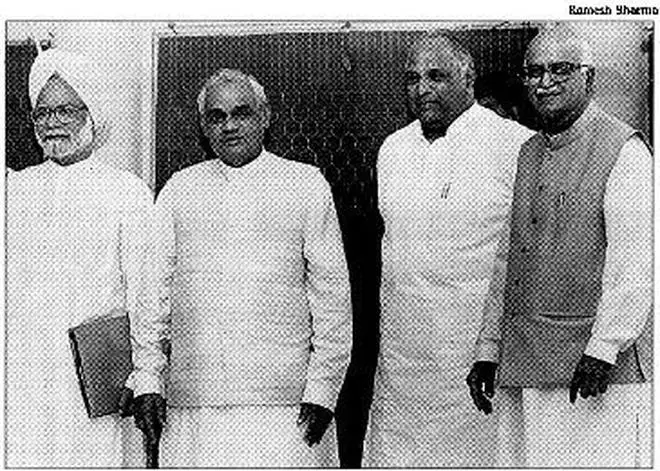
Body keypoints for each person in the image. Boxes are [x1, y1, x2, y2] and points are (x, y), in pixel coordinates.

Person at [126, 69, 352, 467]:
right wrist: (148, 380)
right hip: (196, 407)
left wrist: (323, 390)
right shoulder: (180, 189)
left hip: (288, 408)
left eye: (241, 113)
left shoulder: (305, 185)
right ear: (203, 126)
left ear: (265, 116)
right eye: (216, 116)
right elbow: (152, 295)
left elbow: (333, 301)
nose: (229, 126)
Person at [468, 26, 652, 467]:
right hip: (527, 358)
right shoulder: (528, 151)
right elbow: (508, 260)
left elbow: (636, 260)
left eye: (560, 70)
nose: (545, 81)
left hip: (593, 368)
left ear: (589, 79)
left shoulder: (623, 150)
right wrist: (489, 350)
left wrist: (605, 347)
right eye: (534, 71)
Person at [365, 32, 532, 467]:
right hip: (403, 359)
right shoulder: (393, 150)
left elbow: (525, 256)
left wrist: (493, 349)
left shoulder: (513, 145)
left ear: (468, 77)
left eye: (436, 76)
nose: (422, 89)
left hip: (474, 359)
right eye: (412, 78)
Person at [6, 48, 153, 467]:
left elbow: (146, 294)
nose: (51, 122)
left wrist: (143, 375)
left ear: (91, 114)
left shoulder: (127, 192)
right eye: (42, 112)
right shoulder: (14, 191)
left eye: (65, 110)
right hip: (23, 369)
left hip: (95, 372)